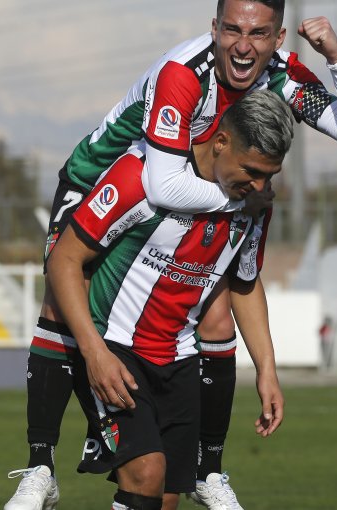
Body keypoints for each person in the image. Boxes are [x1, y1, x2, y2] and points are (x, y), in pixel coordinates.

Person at [4, 0, 337, 508]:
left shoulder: (281, 78)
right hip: (105, 175)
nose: (244, 46)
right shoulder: (183, 74)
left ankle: (209, 469)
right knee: (62, 290)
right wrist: (243, 201)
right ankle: (40, 464)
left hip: (203, 182)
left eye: (260, 33)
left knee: (218, 316)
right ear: (215, 28)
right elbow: (161, 184)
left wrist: (336, 57)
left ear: (279, 38)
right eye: (232, 30)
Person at [50, 89, 289, 510]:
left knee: (164, 498)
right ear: (220, 142)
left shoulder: (253, 207)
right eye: (251, 170)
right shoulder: (140, 179)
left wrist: (266, 370)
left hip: (180, 360)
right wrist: (94, 352)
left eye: (270, 175)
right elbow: (64, 259)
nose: (259, 185)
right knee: (146, 472)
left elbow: (244, 284)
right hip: (116, 349)